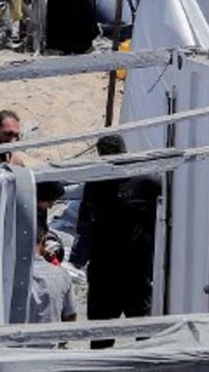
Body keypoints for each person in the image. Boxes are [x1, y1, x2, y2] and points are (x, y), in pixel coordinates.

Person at [76, 134, 162, 348]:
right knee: (143, 338)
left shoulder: (97, 182)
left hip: (110, 273)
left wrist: (77, 258)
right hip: (135, 272)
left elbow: (84, 225)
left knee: (104, 340)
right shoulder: (148, 179)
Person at [29, 225, 79, 325]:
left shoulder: (4, 273)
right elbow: (70, 315)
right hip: (51, 338)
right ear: (43, 239)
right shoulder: (62, 274)